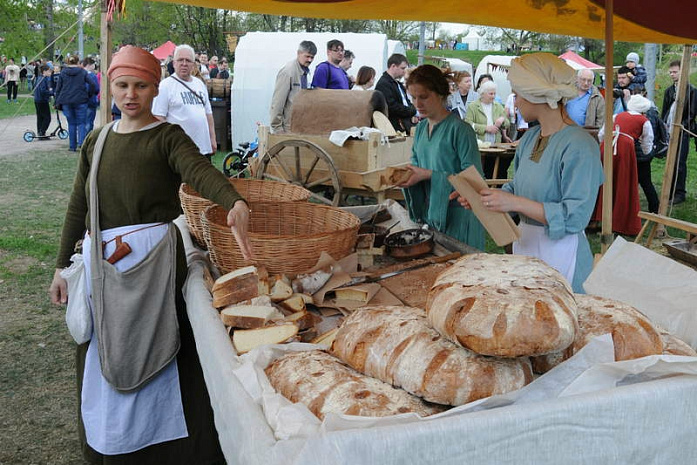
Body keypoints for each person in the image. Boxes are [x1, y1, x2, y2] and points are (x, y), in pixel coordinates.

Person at [48, 45, 253, 464]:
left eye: (140, 85)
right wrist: (60, 267)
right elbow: (78, 205)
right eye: (122, 85)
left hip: (155, 266)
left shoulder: (167, 137)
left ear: (154, 88)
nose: (130, 95)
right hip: (105, 270)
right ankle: (111, 443)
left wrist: (233, 201)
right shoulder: (96, 140)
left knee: (162, 349)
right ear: (110, 88)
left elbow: (199, 171)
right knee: (108, 352)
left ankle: (169, 448)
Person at [451, 53, 603, 293]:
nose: (516, 100)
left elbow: (575, 217)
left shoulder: (580, 146)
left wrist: (515, 202)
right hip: (526, 245)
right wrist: (486, 198)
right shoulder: (531, 137)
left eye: (519, 93)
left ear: (537, 95)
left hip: (561, 253)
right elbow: (517, 187)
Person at [396, 64, 485, 250]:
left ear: (441, 94)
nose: (418, 104)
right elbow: (417, 166)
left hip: (459, 217)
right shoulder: (420, 129)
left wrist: (428, 174)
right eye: (413, 97)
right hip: (433, 215)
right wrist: (407, 176)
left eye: (424, 97)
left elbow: (475, 181)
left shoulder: (461, 130)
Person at [593, 94, 654, 232]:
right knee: (622, 182)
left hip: (608, 144)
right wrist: (646, 152)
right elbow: (647, 142)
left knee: (603, 180)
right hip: (625, 149)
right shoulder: (644, 121)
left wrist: (604, 146)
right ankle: (620, 222)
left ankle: (595, 218)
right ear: (643, 110)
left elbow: (602, 134)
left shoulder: (617, 116)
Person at [153, 44, 217, 159]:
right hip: (179, 151)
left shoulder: (199, 84)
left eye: (188, 60)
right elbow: (159, 118)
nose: (184, 64)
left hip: (203, 149)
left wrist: (212, 139)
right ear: (174, 63)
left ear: (193, 64)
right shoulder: (165, 86)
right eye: (180, 60)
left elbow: (208, 114)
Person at [661, 59, 697, 205]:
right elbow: (665, 110)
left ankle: (679, 193)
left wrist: (680, 126)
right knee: (670, 160)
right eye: (670, 72)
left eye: (675, 72)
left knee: (679, 162)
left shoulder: (692, 90)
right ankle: (669, 190)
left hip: (682, 131)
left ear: (683, 72)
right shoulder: (669, 90)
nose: (672, 74)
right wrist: (663, 126)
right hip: (669, 129)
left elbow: (692, 112)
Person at [465, 80, 511, 179]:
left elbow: (507, 124)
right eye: (491, 93)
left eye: (494, 93)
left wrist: (502, 120)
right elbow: (467, 124)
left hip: (495, 146)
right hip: (479, 146)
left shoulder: (498, 106)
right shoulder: (473, 106)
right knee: (480, 172)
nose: (493, 96)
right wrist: (485, 128)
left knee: (494, 171)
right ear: (483, 94)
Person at [269, 40, 317, 134]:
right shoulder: (288, 72)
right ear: (299, 53)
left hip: (300, 126)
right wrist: (278, 128)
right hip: (288, 128)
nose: (310, 60)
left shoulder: (305, 72)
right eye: (307, 56)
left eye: (312, 57)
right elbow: (278, 102)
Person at [55, 55, 98, 152]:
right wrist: (89, 94)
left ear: (67, 62)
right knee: (81, 123)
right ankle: (82, 144)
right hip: (81, 100)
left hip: (66, 100)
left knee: (71, 123)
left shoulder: (63, 73)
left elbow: (58, 88)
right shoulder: (82, 72)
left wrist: (57, 101)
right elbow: (92, 84)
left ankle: (72, 146)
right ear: (78, 62)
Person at [375, 53, 417, 134]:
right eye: (402, 68)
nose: (404, 72)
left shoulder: (397, 84)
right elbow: (391, 106)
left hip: (403, 125)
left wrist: (412, 109)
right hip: (393, 127)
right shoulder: (384, 84)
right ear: (393, 66)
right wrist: (410, 110)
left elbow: (406, 101)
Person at [33, 64, 54, 137]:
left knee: (40, 117)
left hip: (37, 100)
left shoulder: (40, 78)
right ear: (44, 71)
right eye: (49, 71)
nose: (50, 73)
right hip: (42, 101)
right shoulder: (42, 79)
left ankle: (40, 131)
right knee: (47, 118)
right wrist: (51, 93)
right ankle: (42, 131)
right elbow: (43, 91)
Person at [82, 57, 100, 136]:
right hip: (91, 101)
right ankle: (88, 138)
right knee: (89, 122)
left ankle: (80, 139)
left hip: (80, 101)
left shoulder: (80, 74)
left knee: (82, 122)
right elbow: (96, 88)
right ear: (89, 65)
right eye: (93, 65)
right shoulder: (92, 76)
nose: (94, 67)